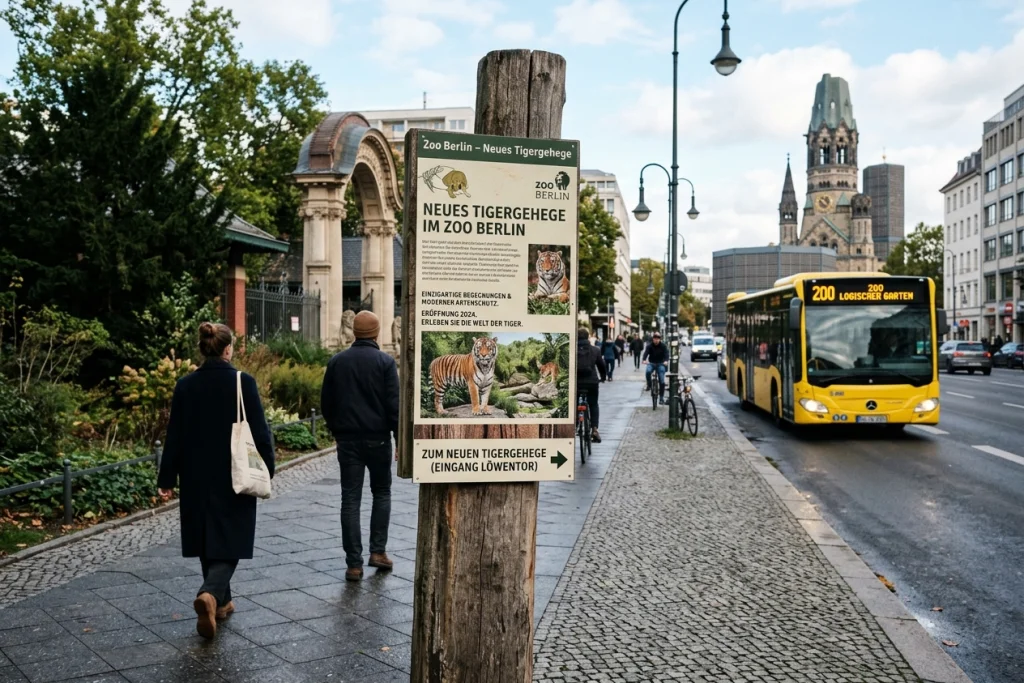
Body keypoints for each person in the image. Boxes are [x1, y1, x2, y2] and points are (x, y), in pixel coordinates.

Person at [158, 322, 275, 640]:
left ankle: (221, 604)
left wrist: (167, 476)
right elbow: (260, 432)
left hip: (195, 474)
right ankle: (210, 593)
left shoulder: (185, 385)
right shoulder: (243, 382)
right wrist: (268, 466)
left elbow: (175, 434)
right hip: (233, 472)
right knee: (232, 537)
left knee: (207, 536)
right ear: (227, 349)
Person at [321, 311, 399, 582]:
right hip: (378, 439)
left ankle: (353, 564)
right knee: (382, 493)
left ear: (354, 332)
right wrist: (398, 439)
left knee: (350, 500)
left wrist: (337, 430)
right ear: (377, 333)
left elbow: (326, 404)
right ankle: (378, 551)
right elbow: (393, 406)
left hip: (349, 441)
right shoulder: (385, 362)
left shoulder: (337, 362)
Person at [577, 328, 607, 443]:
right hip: (592, 382)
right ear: (588, 337)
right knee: (593, 404)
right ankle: (594, 429)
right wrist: (603, 377)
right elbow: (601, 366)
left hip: (577, 383)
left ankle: (575, 423)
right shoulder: (595, 350)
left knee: (574, 403)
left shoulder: (572, 350)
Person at [643, 331, 670, 404]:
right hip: (651, 363)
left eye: (658, 338)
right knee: (648, 371)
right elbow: (646, 353)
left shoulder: (663, 346)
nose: (656, 340)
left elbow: (666, 354)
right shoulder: (649, 346)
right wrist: (644, 360)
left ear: (660, 339)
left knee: (661, 380)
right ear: (653, 339)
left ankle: (661, 398)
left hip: (661, 363)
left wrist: (666, 361)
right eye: (655, 338)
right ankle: (649, 384)